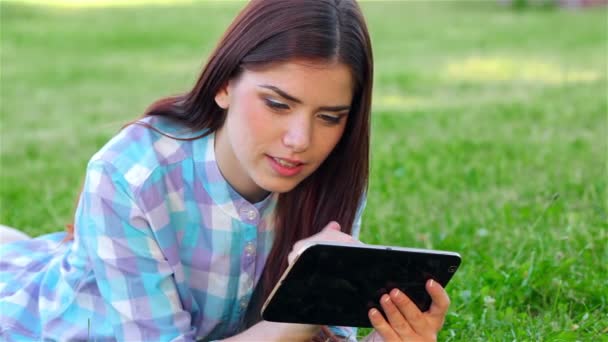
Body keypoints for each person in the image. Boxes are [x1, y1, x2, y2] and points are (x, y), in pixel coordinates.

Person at [0, 0, 451, 340]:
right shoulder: (129, 176)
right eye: (277, 104)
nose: (301, 141)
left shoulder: (330, 169)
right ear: (223, 85)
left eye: (329, 117)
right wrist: (306, 300)